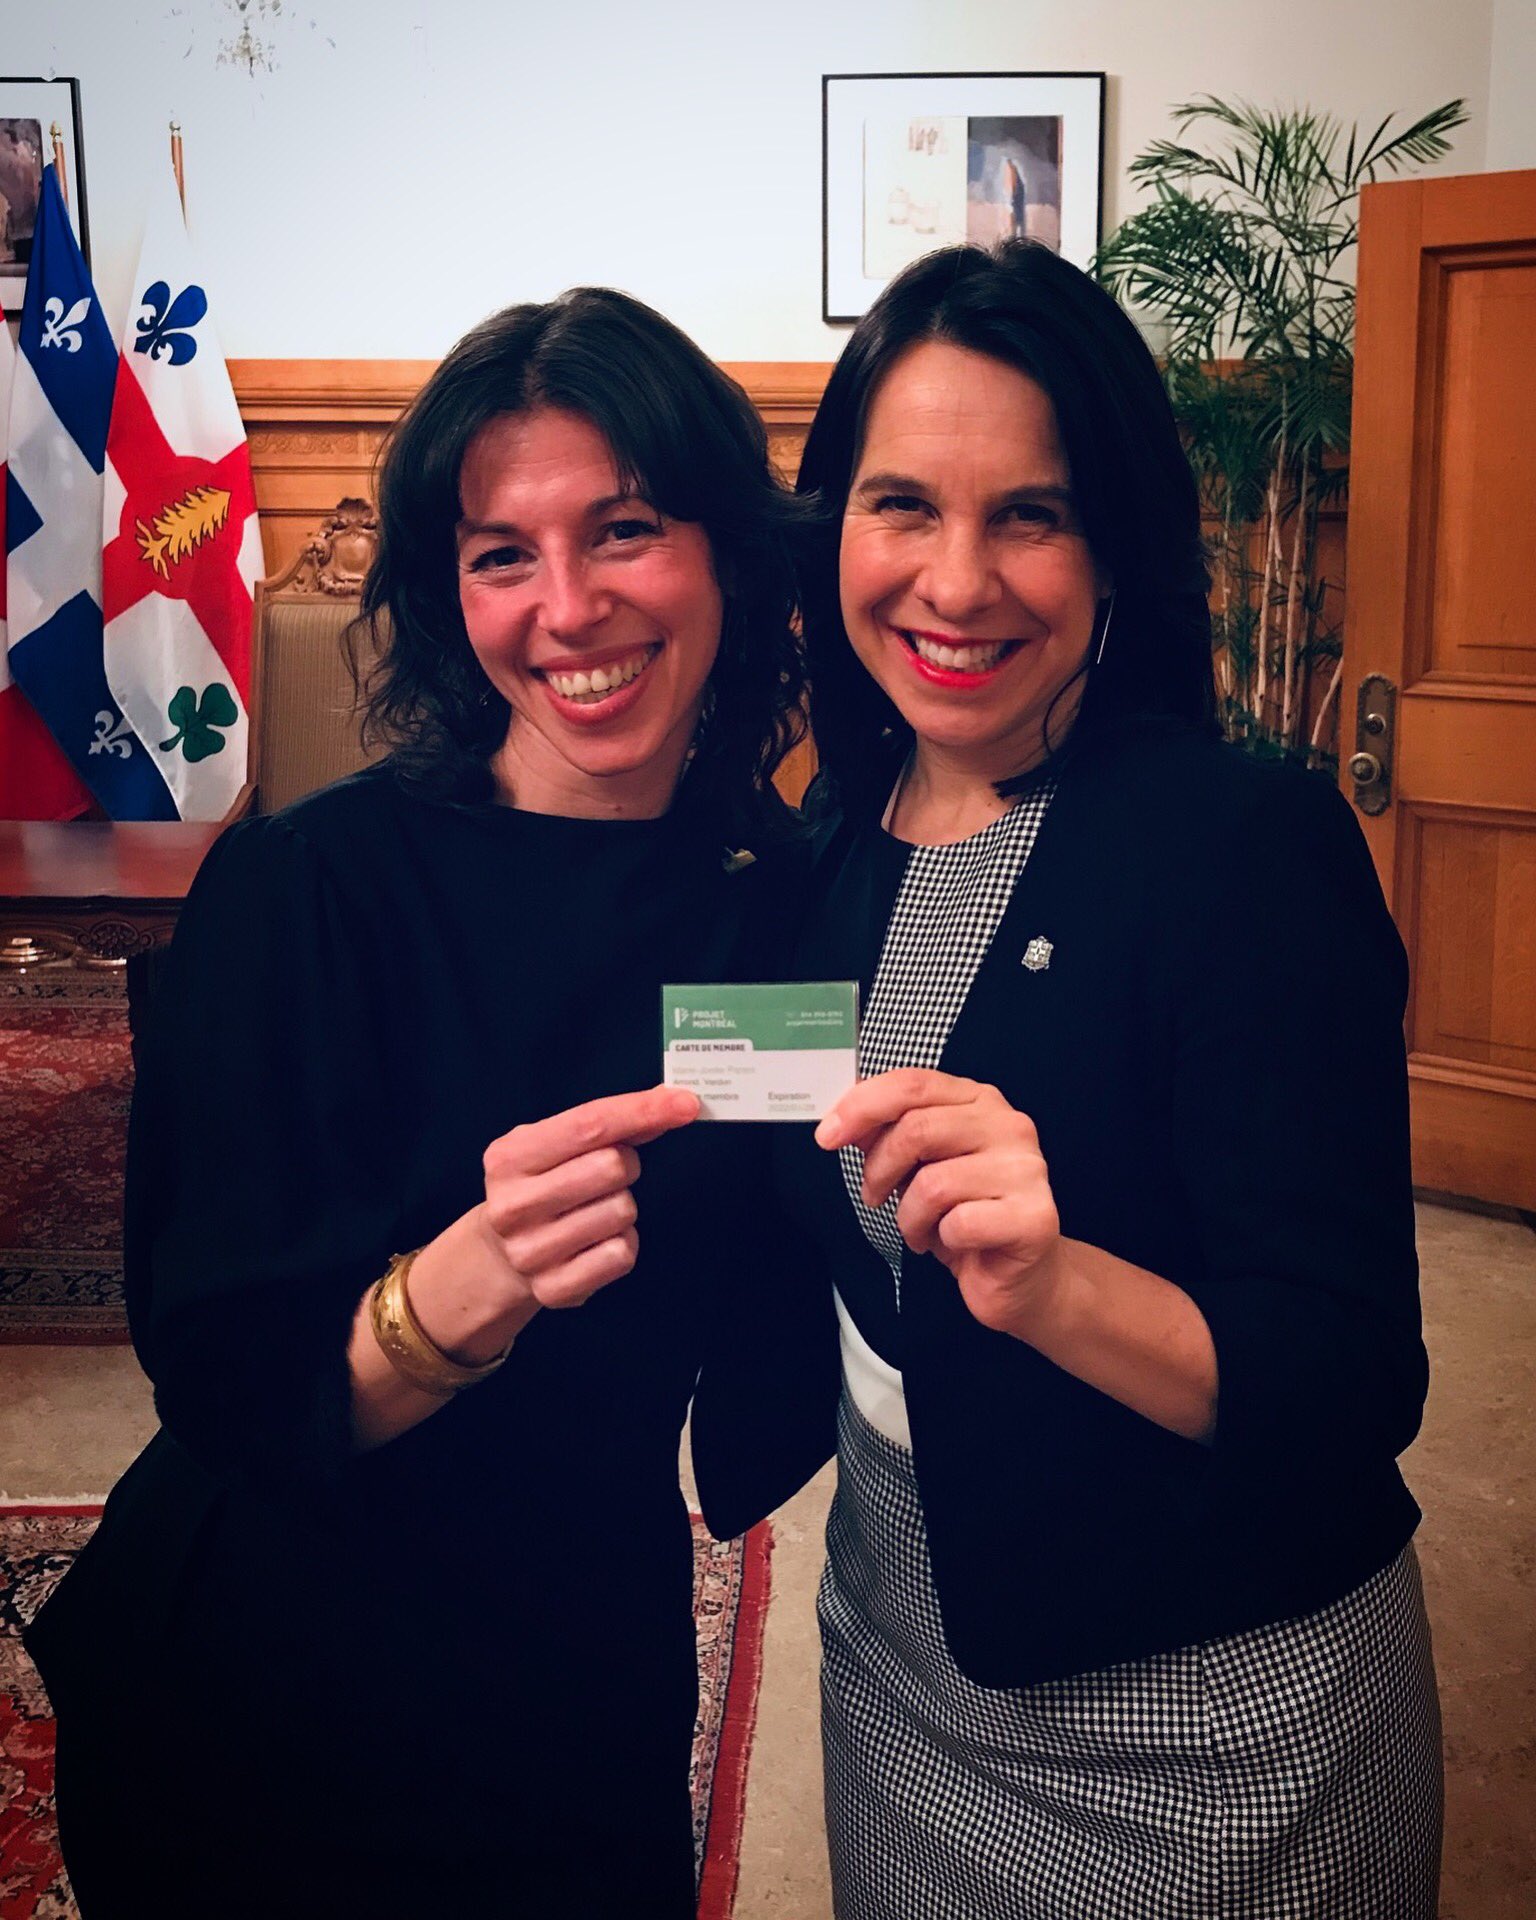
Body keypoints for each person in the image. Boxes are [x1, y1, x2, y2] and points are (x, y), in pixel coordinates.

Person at [25, 286, 835, 1919]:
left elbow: (782, 1306)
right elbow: (230, 1392)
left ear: (731, 558)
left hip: (577, 1668)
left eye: (624, 531)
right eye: (501, 554)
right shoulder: (306, 892)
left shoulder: (784, 908)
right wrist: (448, 1301)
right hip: (270, 1682)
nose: (569, 608)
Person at [781, 240, 1442, 1918]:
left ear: (1116, 549)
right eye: (904, 506)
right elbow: (769, 1162)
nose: (957, 582)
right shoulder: (828, 839)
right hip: (897, 1651)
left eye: (1033, 515)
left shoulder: (1249, 852)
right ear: (834, 526)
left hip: (1210, 1731)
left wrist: (1055, 1285)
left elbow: (1352, 1383)